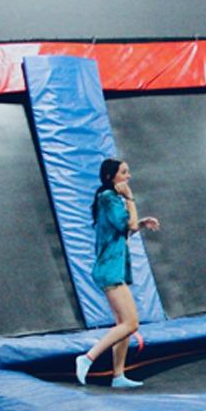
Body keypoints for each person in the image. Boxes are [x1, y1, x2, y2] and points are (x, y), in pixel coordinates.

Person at [75, 158, 161, 388]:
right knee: (131, 323)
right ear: (110, 177)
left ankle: (118, 375)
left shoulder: (110, 200)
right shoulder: (109, 198)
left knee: (122, 324)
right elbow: (129, 225)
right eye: (124, 172)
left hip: (111, 268)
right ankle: (87, 358)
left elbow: (123, 232)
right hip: (110, 270)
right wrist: (131, 200)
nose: (128, 176)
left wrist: (140, 223)